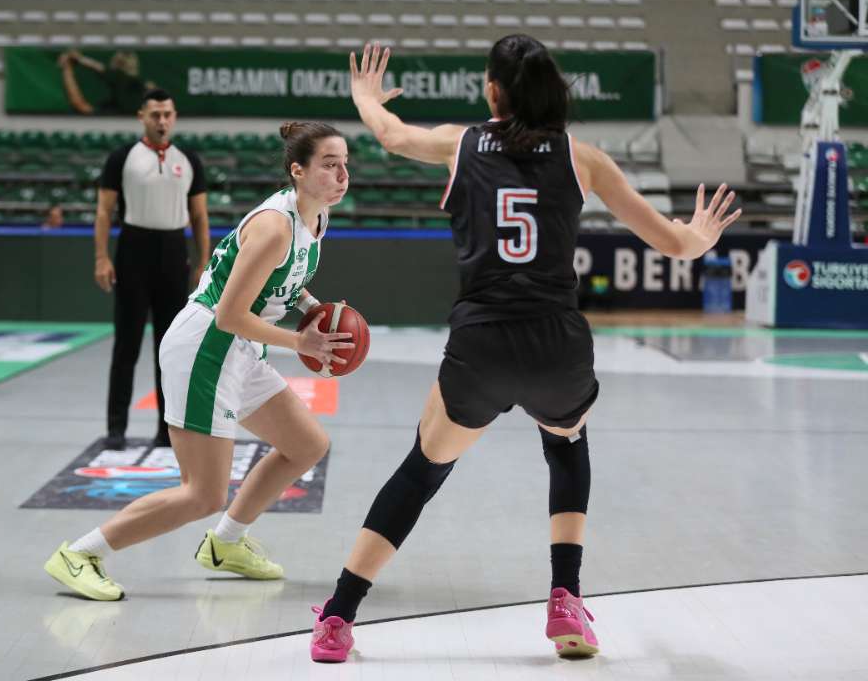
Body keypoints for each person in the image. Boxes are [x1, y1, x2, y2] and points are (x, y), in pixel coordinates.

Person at [307, 38, 743, 663]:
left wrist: (365, 99)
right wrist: (699, 236)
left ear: (493, 93)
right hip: (555, 344)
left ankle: (339, 616)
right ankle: (566, 596)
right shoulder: (582, 158)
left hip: (481, 342)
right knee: (567, 443)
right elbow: (674, 244)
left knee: (422, 469)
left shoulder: (461, 143)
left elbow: (393, 135)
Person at [45, 121, 355, 602]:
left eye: (345, 164)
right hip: (206, 345)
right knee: (202, 493)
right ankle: (80, 554)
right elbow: (231, 314)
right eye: (329, 164)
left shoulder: (317, 218)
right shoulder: (276, 226)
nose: (342, 175)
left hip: (240, 349)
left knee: (306, 445)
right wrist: (303, 344)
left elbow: (283, 283)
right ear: (298, 170)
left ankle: (225, 543)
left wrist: (314, 309)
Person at [94, 88, 209, 450]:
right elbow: (103, 212)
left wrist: (203, 261)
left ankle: (167, 430)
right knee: (126, 345)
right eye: (155, 114)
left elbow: (199, 215)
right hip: (133, 250)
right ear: (141, 116)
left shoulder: (188, 159)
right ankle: (116, 428)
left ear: (174, 117)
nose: (162, 120)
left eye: (167, 114)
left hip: (173, 252)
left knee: (170, 348)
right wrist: (102, 257)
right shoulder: (121, 158)